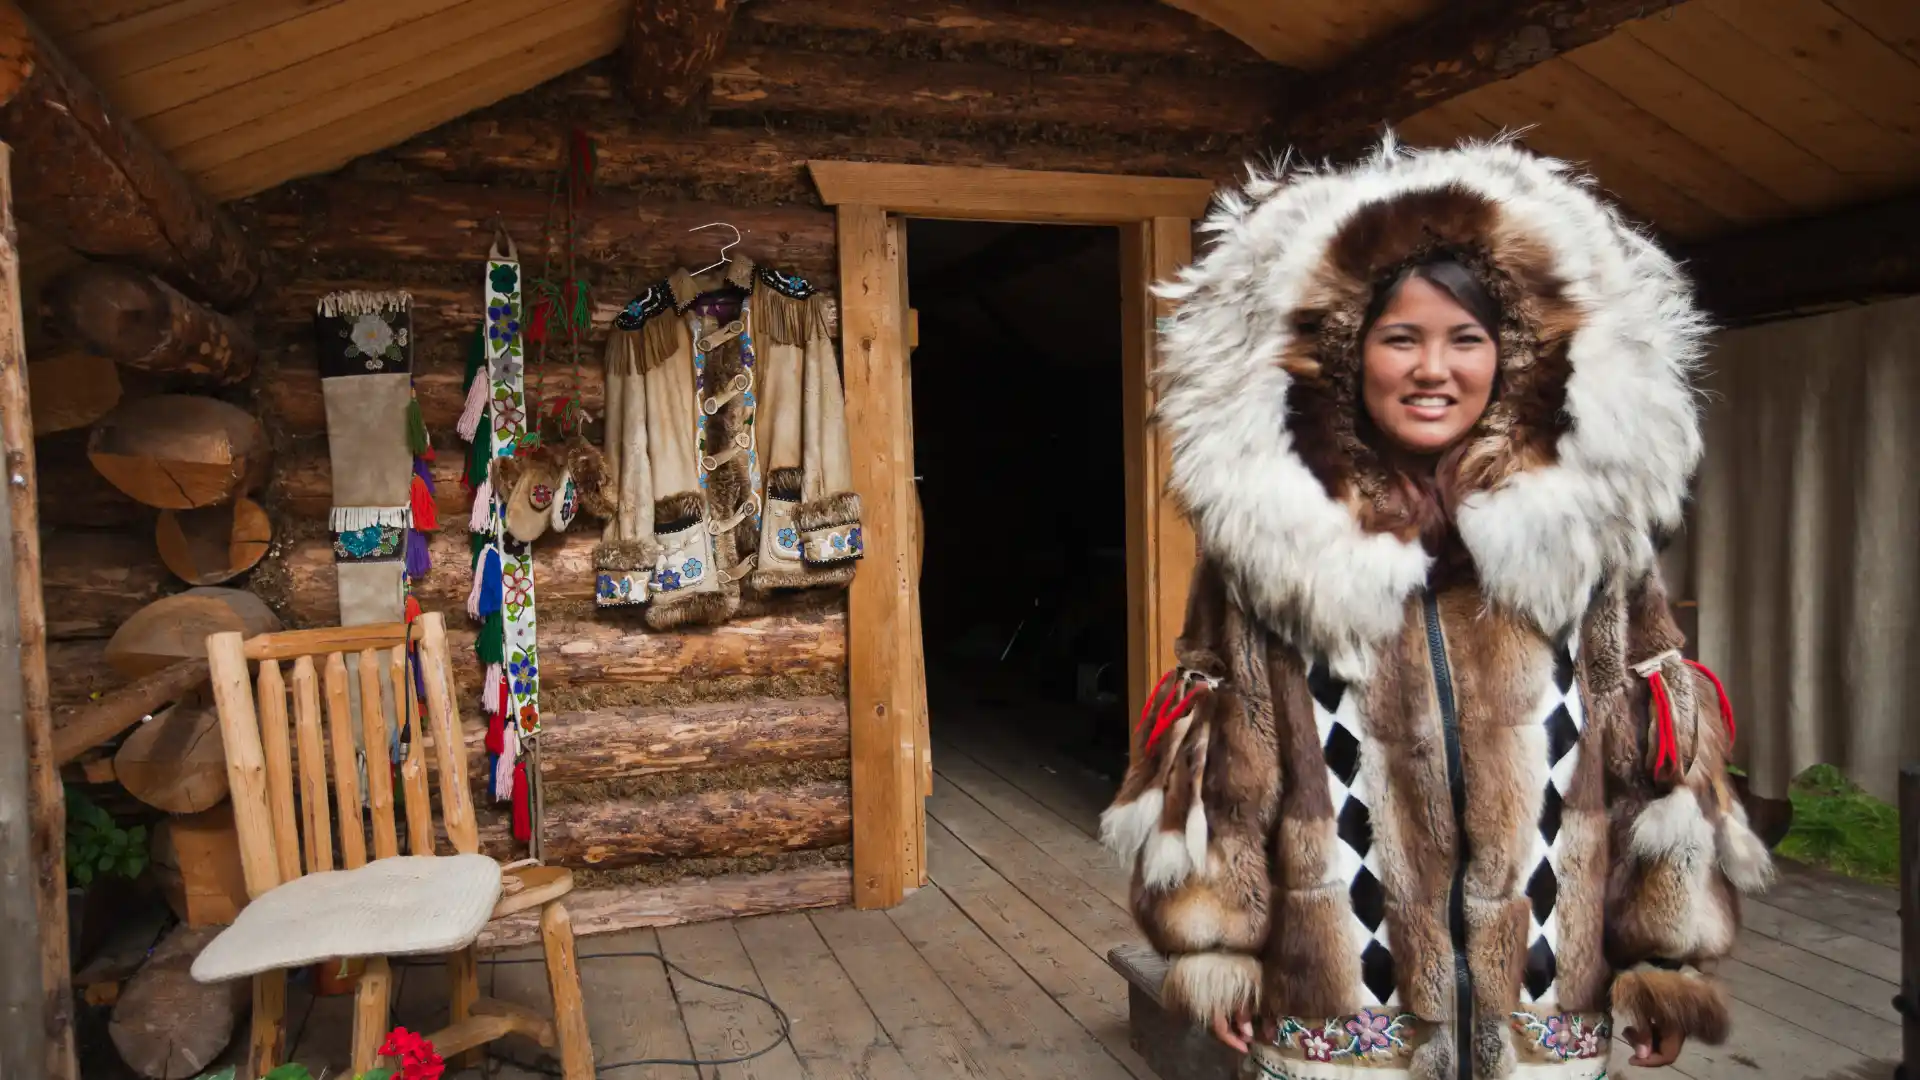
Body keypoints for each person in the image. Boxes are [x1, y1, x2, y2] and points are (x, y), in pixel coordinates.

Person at [1101, 135, 1773, 1080]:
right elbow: (1225, 763)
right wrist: (1215, 950)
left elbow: (1651, 762)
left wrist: (1665, 961)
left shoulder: (1585, 537)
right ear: (1348, 353)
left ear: (1513, 357)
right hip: (1340, 1008)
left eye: (1466, 339)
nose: (1434, 368)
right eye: (1401, 338)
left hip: (1544, 1006)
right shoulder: (1279, 542)